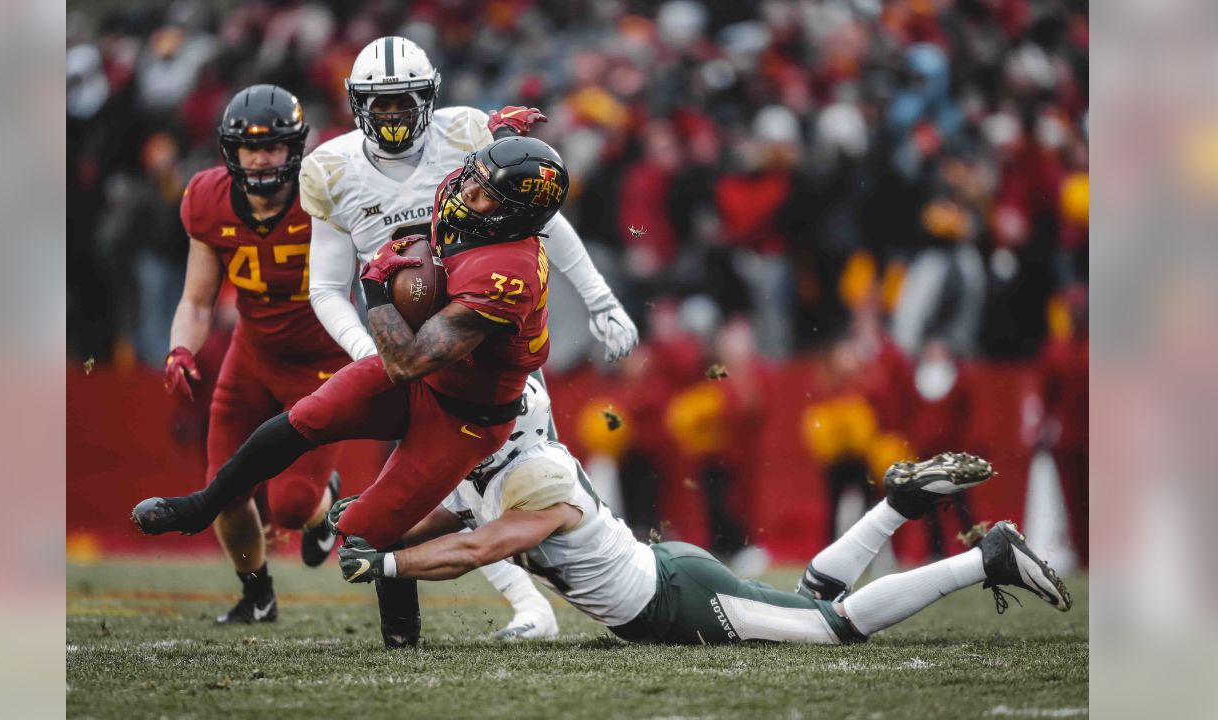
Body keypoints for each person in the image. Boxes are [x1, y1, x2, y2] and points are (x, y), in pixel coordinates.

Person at [132, 136, 574, 641]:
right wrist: (500, 137)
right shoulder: (481, 210)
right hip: (427, 375)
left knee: (366, 533)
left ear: (516, 215)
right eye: (470, 177)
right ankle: (202, 505)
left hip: (462, 416)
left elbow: (407, 361)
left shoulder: (508, 272)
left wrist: (377, 289)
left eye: (482, 194)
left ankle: (401, 638)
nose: (464, 193)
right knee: (309, 415)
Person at [296, 36, 640, 639]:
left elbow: (542, 220)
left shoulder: (467, 135)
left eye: (406, 101)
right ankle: (367, 562)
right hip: (403, 349)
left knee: (498, 472)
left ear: (428, 98)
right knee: (428, 489)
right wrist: (370, 356)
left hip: (481, 336)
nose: (395, 116)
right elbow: (325, 286)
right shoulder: (331, 167)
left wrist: (601, 298)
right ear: (357, 105)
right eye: (382, 104)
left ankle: (525, 603)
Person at [332, 379, 1072, 645]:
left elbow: (478, 549)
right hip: (668, 578)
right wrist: (361, 525)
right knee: (808, 598)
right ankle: (899, 506)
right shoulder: (488, 469)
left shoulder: (538, 481)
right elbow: (440, 519)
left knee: (834, 628)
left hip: (673, 602)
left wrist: (387, 562)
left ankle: (987, 558)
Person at [164, 84, 350, 624]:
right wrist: (180, 348)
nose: (262, 158)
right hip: (252, 355)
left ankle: (324, 507)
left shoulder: (329, 191)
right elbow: (197, 302)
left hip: (322, 363)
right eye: (251, 147)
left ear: (296, 148)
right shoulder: (206, 199)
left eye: (273, 146)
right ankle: (257, 595)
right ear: (231, 151)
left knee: (292, 504)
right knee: (223, 487)